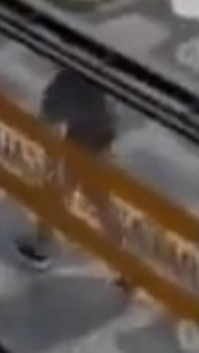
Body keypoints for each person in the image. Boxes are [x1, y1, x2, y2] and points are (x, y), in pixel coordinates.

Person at [15, 67, 129, 290]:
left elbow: (50, 114)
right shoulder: (95, 70)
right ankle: (125, 266)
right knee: (98, 199)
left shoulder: (69, 80)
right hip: (100, 138)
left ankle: (44, 246)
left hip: (81, 142)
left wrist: (46, 133)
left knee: (60, 190)